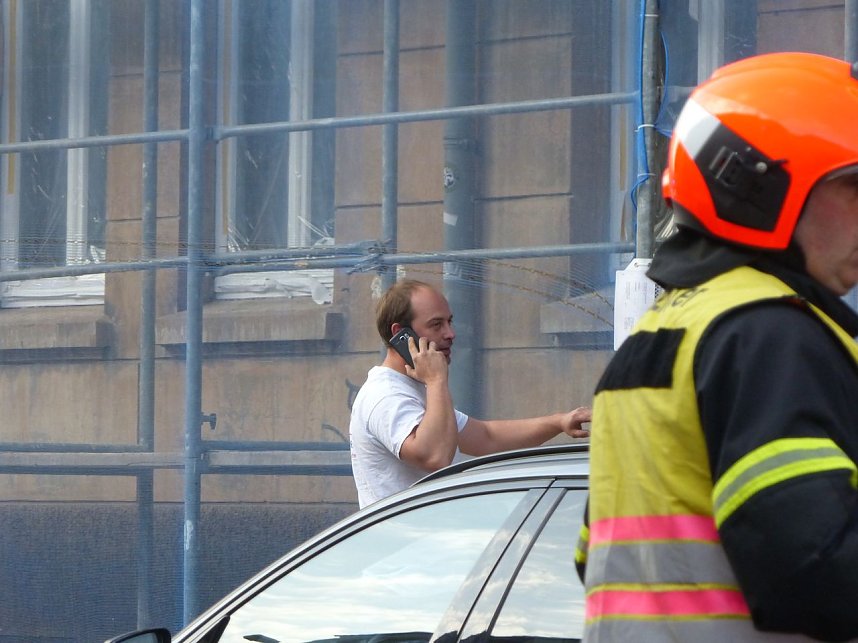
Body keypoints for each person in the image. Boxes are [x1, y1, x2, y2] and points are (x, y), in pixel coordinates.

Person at [575, 52, 858, 642]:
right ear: (762, 189)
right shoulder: (770, 336)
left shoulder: (659, 336)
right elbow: (815, 570)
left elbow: (596, 554)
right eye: (853, 188)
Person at [349, 278, 591, 508]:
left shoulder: (413, 389)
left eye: (449, 322)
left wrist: (559, 422)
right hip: (401, 547)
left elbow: (486, 437)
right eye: (436, 325)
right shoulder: (385, 396)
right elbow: (434, 457)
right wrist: (436, 381)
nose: (450, 334)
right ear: (401, 335)